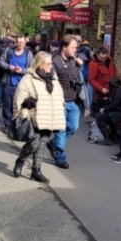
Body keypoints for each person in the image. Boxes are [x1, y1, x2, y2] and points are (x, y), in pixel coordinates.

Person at [12, 51, 65, 183]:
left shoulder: (53, 78)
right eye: (48, 64)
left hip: (48, 117)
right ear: (40, 65)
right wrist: (23, 114)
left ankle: (36, 171)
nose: (51, 66)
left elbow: (59, 96)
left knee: (41, 145)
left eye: (51, 63)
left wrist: (60, 109)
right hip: (33, 118)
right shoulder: (28, 79)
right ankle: (20, 160)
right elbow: (19, 99)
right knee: (34, 143)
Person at [49, 35, 82, 169]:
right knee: (61, 130)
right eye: (73, 47)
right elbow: (52, 81)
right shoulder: (54, 61)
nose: (75, 50)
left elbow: (75, 78)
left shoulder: (72, 60)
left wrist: (79, 67)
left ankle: (53, 144)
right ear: (64, 47)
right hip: (59, 101)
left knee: (74, 127)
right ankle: (60, 157)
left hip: (72, 100)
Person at [0, 34, 33, 128]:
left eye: (22, 43)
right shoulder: (9, 50)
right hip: (9, 82)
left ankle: (18, 125)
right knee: (7, 105)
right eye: (18, 42)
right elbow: (0, 62)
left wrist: (22, 70)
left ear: (25, 43)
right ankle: (7, 125)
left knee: (20, 106)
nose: (20, 45)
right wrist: (8, 67)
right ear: (15, 42)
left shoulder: (28, 53)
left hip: (22, 85)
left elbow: (32, 68)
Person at [94, 76, 121, 143]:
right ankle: (113, 135)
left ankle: (107, 139)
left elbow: (114, 105)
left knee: (100, 118)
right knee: (108, 117)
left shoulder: (119, 91)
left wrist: (104, 109)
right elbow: (117, 102)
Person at [87, 46, 118, 117]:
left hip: (111, 89)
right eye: (101, 57)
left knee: (109, 112)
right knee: (99, 113)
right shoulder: (93, 64)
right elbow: (91, 79)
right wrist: (101, 89)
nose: (103, 59)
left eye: (105, 57)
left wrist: (116, 81)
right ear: (97, 54)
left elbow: (114, 72)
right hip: (100, 92)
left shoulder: (110, 60)